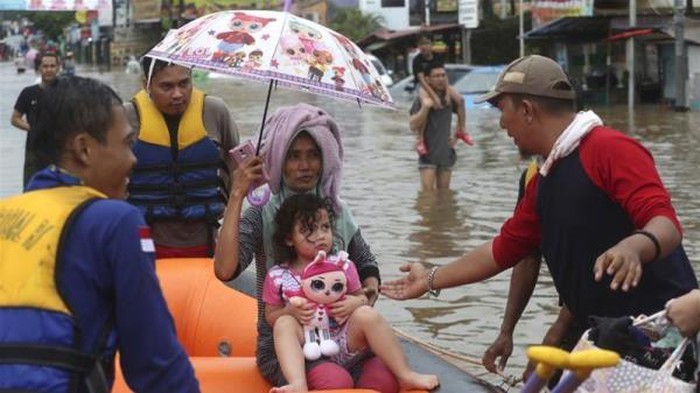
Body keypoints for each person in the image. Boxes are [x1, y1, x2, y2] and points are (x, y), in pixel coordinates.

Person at [382, 55, 698, 362]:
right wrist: (430, 279)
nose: (502, 123)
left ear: (527, 110)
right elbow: (504, 250)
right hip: (609, 334)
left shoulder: (609, 149)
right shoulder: (542, 177)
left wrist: (634, 247)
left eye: (501, 109)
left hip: (667, 329)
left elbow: (666, 225)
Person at [0, 75, 198, 392]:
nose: (134, 159)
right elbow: (155, 365)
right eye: (127, 144)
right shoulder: (115, 222)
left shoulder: (5, 213)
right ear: (84, 149)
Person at [214, 103, 392, 392]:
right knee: (334, 382)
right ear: (279, 159)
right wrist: (236, 194)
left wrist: (363, 298)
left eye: (313, 155)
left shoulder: (335, 208)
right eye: (294, 156)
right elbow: (225, 269)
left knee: (384, 379)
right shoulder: (261, 211)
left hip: (345, 336)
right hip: (288, 345)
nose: (305, 166)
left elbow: (366, 263)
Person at [263, 194, 439, 393]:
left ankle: (405, 375)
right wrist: (290, 312)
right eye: (308, 230)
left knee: (368, 319)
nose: (320, 235)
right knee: (284, 324)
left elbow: (361, 296)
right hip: (312, 348)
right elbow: (271, 316)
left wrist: (356, 303)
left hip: (347, 342)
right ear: (289, 239)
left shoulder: (343, 265)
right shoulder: (278, 275)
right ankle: (298, 384)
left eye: (325, 227)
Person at [123, 56, 239, 258]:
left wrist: (229, 209)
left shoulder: (215, 111)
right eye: (166, 87)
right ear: (146, 84)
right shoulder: (126, 117)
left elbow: (237, 164)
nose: (177, 94)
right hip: (143, 239)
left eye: (184, 83)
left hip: (205, 236)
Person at [409, 63, 471, 191]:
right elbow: (412, 124)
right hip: (428, 153)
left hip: (445, 152)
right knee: (427, 196)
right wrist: (425, 108)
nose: (440, 79)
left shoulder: (449, 98)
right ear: (428, 79)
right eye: (436, 76)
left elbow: (461, 108)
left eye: (443, 75)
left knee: (445, 196)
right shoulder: (422, 99)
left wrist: (456, 135)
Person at [411, 34, 468, 156]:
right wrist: (435, 97)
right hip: (424, 86)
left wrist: (447, 93)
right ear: (418, 46)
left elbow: (443, 75)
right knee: (427, 104)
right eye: (421, 44)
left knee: (461, 100)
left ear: (432, 44)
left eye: (427, 43)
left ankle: (461, 130)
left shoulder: (438, 57)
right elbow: (421, 80)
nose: (424, 47)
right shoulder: (417, 60)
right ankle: (420, 139)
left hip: (441, 85)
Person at [11, 51, 60, 187]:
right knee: (31, 191)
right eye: (45, 66)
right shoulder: (28, 93)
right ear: (39, 69)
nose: (48, 70)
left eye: (52, 66)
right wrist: (32, 128)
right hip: (34, 151)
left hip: (60, 152)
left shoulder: (65, 92)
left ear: (58, 68)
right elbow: (15, 118)